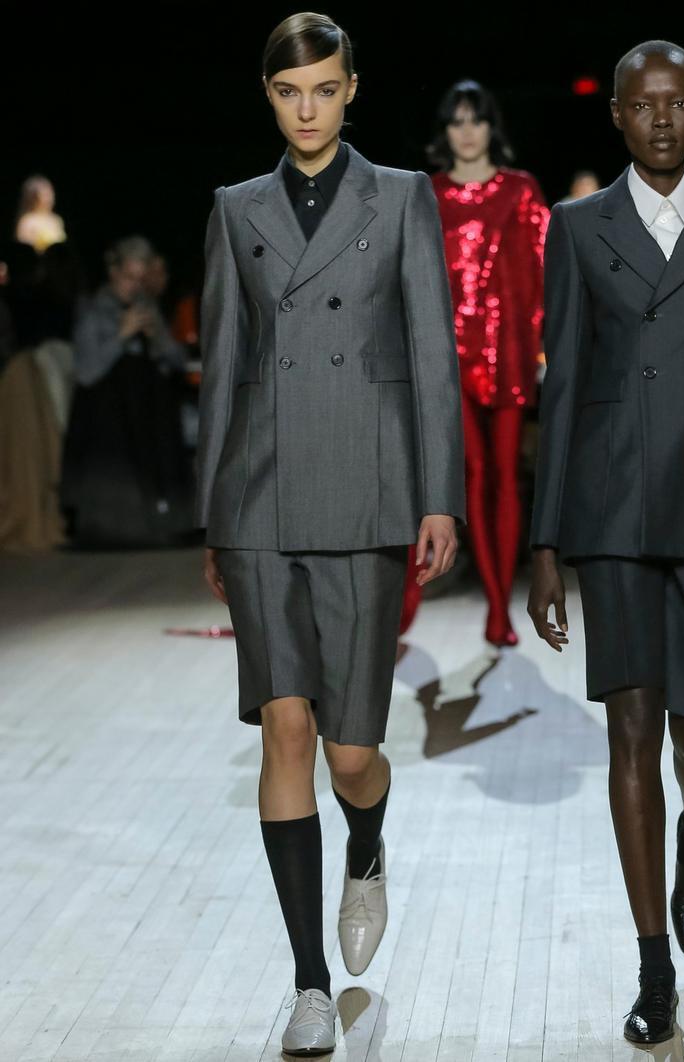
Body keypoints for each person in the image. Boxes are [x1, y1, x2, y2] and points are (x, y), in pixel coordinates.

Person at [197, 12, 465, 1055]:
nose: (306, 109)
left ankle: (367, 844)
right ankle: (310, 982)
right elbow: (224, 364)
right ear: (269, 97)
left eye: (323, 88)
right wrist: (214, 515)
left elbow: (432, 353)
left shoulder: (400, 196)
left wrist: (438, 495)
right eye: (287, 91)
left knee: (353, 753)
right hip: (260, 496)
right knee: (287, 730)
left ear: (352, 88)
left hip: (366, 491)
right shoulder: (237, 208)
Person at [527, 39, 684, 1045]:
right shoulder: (579, 226)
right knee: (632, 733)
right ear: (619, 117)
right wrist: (546, 543)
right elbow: (563, 384)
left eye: (677, 103)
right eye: (643, 105)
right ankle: (652, 972)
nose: (661, 120)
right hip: (617, 510)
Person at [424, 79, 549, 647]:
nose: (467, 131)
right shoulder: (429, 194)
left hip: (508, 353)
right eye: (457, 121)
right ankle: (496, 606)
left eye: (476, 119)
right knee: (474, 474)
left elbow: (545, 269)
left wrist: (548, 345)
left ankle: (502, 606)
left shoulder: (521, 190)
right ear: (445, 131)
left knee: (507, 476)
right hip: (449, 358)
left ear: (491, 126)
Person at [62, 236, 192, 546]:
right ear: (114, 271)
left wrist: (157, 337)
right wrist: (121, 336)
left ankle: (167, 519)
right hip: (107, 414)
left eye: (141, 279)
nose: (135, 286)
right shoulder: (93, 309)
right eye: (129, 277)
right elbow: (87, 371)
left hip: (146, 410)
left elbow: (178, 361)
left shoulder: (146, 306)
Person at [14, 175, 67, 255]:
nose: (50, 198)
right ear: (34, 197)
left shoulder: (57, 220)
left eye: (50, 193)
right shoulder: (27, 221)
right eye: (45, 195)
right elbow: (24, 251)